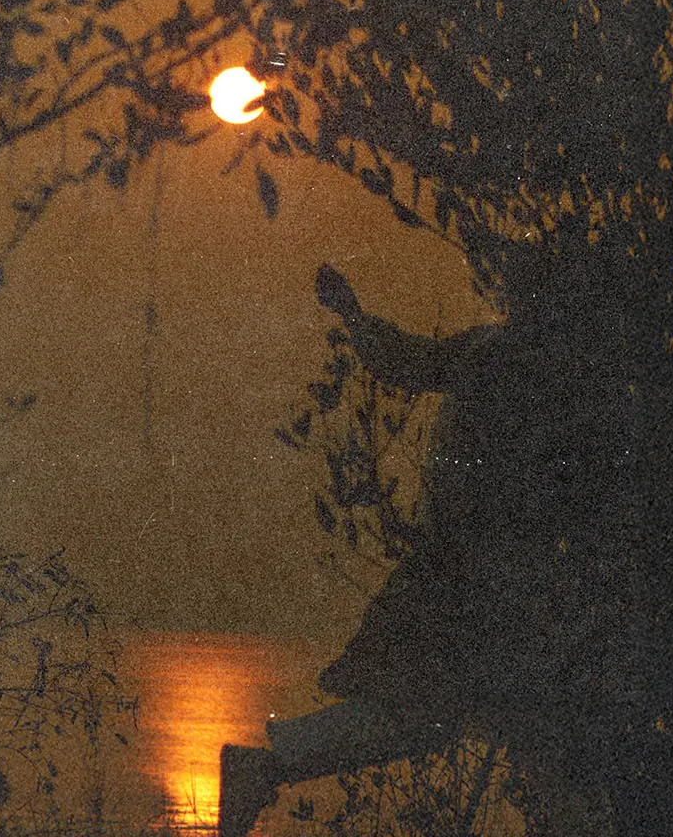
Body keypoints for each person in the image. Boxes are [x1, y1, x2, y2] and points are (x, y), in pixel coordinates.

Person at [220, 246, 647, 837]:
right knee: (521, 728)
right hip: (487, 583)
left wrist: (353, 315)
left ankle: (269, 763)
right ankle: (268, 764)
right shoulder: (538, 374)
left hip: (471, 577)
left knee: (462, 720)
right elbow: (563, 497)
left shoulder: (494, 356)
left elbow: (404, 361)